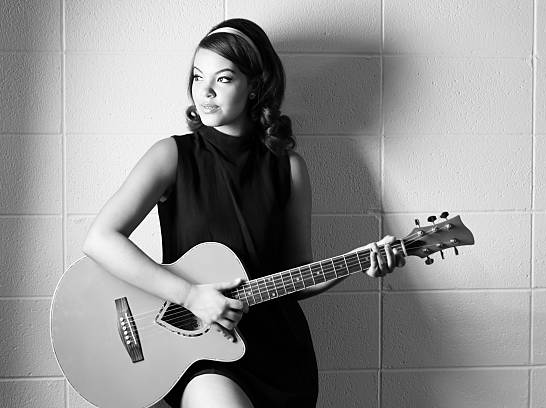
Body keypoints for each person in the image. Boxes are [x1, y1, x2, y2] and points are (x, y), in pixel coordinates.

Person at [82, 18, 404, 408]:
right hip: (201, 352)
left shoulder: (290, 168)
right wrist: (189, 295)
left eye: (223, 79)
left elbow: (297, 274)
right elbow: (100, 239)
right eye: (199, 77)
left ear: (255, 87)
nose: (205, 92)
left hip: (279, 354)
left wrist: (356, 263)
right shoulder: (172, 156)